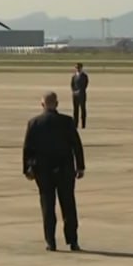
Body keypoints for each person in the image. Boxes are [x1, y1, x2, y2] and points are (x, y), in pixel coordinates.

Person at [22, 91, 86, 251]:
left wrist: (27, 169)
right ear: (56, 104)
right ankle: (73, 241)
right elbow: (76, 145)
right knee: (68, 205)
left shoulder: (34, 123)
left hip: (43, 172)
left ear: (42, 105)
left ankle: (50, 241)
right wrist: (80, 166)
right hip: (65, 170)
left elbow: (28, 149)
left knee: (47, 206)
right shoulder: (67, 121)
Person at [70, 62, 89, 128]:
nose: (77, 69)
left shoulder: (84, 76)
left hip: (82, 95)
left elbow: (85, 85)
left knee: (83, 109)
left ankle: (83, 125)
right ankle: (75, 124)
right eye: (76, 67)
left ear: (81, 68)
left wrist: (80, 91)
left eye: (78, 67)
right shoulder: (74, 76)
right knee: (75, 110)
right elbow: (72, 85)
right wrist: (74, 91)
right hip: (75, 95)